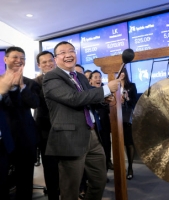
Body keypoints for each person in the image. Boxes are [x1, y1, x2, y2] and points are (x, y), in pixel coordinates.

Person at [43, 41, 120, 200]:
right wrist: (106, 89)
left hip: (92, 135)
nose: (68, 54)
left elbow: (88, 96)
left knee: (99, 179)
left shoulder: (79, 76)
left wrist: (103, 99)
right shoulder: (51, 77)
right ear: (56, 59)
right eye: (63, 52)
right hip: (70, 139)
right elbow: (74, 99)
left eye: (71, 51)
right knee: (71, 188)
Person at [2, 46, 40, 199]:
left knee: (25, 177)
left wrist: (22, 87)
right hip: (4, 137)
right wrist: (8, 87)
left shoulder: (30, 83)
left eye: (22, 58)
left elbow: (35, 103)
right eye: (15, 57)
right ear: (5, 59)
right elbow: (6, 105)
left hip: (26, 135)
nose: (19, 60)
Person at [34, 51, 59, 200]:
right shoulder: (35, 83)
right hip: (45, 131)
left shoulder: (64, 79)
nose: (48, 64)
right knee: (50, 167)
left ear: (55, 61)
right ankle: (53, 196)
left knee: (66, 167)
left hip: (66, 130)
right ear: (39, 65)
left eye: (50, 61)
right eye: (44, 62)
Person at [0, 67, 23, 200]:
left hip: (3, 143)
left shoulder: (2, 82)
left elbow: (14, 105)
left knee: (3, 183)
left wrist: (14, 87)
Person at [89, 70, 114, 170]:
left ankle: (108, 162)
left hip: (104, 123)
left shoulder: (105, 90)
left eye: (99, 77)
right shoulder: (88, 92)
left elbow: (110, 106)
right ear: (90, 80)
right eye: (95, 77)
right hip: (93, 125)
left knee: (107, 144)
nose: (98, 79)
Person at [120, 67, 137, 180]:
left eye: (122, 72)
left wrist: (126, 98)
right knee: (118, 144)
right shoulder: (112, 86)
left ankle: (130, 167)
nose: (120, 74)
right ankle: (120, 169)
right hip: (115, 118)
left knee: (129, 143)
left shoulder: (131, 86)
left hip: (127, 117)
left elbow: (134, 102)